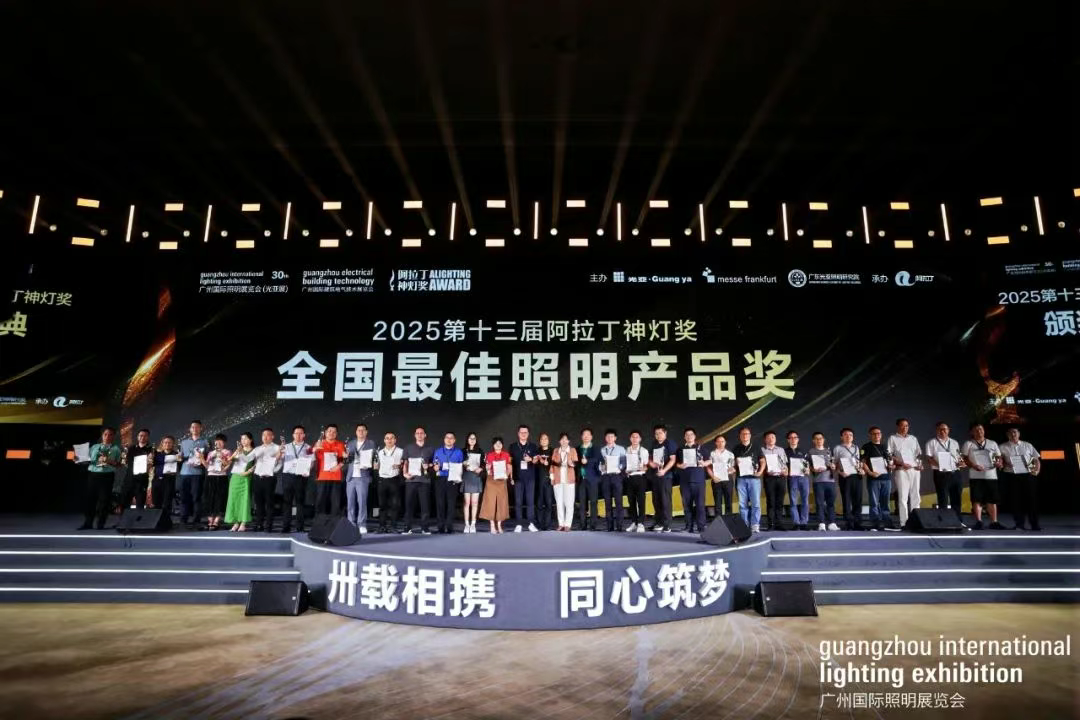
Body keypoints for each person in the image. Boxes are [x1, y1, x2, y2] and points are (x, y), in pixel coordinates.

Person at [77, 426, 122, 530]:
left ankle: (100, 524)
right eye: (105, 434)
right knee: (90, 500)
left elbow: (119, 464)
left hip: (107, 476)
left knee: (104, 501)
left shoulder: (116, 449)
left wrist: (110, 461)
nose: (107, 437)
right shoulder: (94, 447)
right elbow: (87, 460)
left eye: (110, 435)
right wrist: (78, 459)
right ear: (102, 435)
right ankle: (88, 523)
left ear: (114, 436)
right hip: (93, 475)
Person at [999, 427, 1042, 531]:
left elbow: (1036, 459)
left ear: (1019, 434)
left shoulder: (1027, 445)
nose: (1013, 434)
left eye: (1015, 432)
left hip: (1028, 475)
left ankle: (1034, 524)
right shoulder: (1002, 447)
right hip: (1011, 475)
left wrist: (1037, 470)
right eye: (1010, 432)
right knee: (1015, 501)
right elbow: (999, 461)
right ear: (1007, 434)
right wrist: (1003, 464)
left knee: (1031, 500)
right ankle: (1019, 524)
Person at [962, 423, 1004, 530]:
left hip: (991, 475)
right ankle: (979, 521)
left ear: (984, 431)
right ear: (971, 432)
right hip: (975, 475)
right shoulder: (968, 443)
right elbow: (964, 458)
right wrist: (973, 466)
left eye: (981, 429)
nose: (979, 431)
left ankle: (994, 522)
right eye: (976, 430)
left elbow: (998, 457)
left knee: (992, 500)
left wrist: (999, 463)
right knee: (977, 499)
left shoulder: (992, 443)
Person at [925, 421, 964, 525]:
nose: (943, 431)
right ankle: (944, 522)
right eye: (940, 429)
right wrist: (941, 465)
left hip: (955, 473)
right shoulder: (931, 442)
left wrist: (960, 463)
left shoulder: (954, 442)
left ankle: (958, 521)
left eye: (945, 429)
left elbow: (958, 457)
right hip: (941, 473)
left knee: (957, 498)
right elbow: (929, 458)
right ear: (936, 430)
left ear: (948, 430)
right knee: (943, 499)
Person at [887, 418, 922, 528]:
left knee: (916, 496)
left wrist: (919, 464)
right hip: (901, 470)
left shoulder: (913, 438)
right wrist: (901, 463)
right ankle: (904, 522)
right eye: (902, 425)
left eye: (906, 426)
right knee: (903, 497)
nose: (905, 428)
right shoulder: (892, 438)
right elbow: (889, 455)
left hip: (914, 470)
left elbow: (918, 454)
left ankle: (916, 521)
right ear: (898, 426)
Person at [860, 427, 894, 531]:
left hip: (886, 478)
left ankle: (887, 522)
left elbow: (889, 461)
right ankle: (875, 522)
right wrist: (870, 472)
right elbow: (863, 462)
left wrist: (891, 466)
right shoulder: (866, 447)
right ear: (870, 435)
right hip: (873, 478)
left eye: (878, 433)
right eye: (874, 433)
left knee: (885, 501)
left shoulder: (885, 447)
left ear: (881, 434)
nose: (877, 435)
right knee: (874, 502)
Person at [344, 424, 377, 534]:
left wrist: (371, 464)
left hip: (363, 477)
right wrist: (345, 457)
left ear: (366, 432)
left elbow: (375, 459)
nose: (361, 432)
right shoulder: (350, 443)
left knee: (362, 502)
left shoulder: (371, 443)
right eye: (359, 430)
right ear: (356, 432)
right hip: (351, 477)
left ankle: (362, 524)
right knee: (350, 502)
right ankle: (350, 523)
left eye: (363, 430)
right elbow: (347, 460)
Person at [177, 420, 210, 530]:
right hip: (184, 472)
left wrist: (202, 459)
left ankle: (196, 520)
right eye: (192, 427)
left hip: (198, 473)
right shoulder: (184, 442)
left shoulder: (205, 442)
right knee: (183, 497)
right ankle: (183, 519)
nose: (194, 429)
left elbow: (209, 457)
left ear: (201, 428)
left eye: (197, 427)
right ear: (190, 429)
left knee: (196, 497)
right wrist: (179, 457)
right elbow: (181, 456)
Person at [402, 426, 435, 534]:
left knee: (425, 506)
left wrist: (428, 466)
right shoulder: (408, 448)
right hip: (411, 480)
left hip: (425, 480)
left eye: (421, 433)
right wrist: (405, 474)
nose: (419, 435)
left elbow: (434, 463)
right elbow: (405, 462)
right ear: (415, 435)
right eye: (417, 433)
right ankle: (407, 527)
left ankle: (425, 527)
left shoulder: (430, 449)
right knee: (409, 505)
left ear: (425, 435)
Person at [675, 428, 709, 533]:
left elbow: (709, 460)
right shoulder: (680, 449)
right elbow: (676, 463)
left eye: (691, 434)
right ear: (684, 437)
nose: (689, 436)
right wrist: (680, 465)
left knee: (700, 505)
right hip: (685, 481)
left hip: (699, 480)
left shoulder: (701, 448)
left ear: (695, 436)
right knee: (686, 505)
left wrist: (704, 463)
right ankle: (688, 526)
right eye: (687, 435)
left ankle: (701, 527)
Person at [280, 426, 313, 534]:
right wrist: (280, 451)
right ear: (293, 435)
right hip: (288, 476)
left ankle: (300, 527)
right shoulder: (286, 446)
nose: (298, 435)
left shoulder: (308, 448)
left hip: (301, 477)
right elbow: (279, 459)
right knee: (287, 502)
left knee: (300, 502)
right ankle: (286, 526)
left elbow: (312, 462)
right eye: (296, 433)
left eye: (301, 433)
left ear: (304, 435)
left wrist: (307, 470)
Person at [250, 428, 282, 532]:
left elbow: (280, 464)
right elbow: (248, 459)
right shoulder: (257, 449)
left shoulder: (277, 448)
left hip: (269, 478)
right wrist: (239, 454)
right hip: (257, 478)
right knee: (258, 503)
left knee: (269, 503)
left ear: (272, 436)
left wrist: (272, 471)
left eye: (268, 435)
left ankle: (268, 525)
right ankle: (259, 524)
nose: (265, 437)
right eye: (263, 435)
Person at [508, 425, 539, 532]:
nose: (523, 434)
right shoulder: (513, 446)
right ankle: (519, 524)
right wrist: (511, 476)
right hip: (517, 477)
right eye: (521, 432)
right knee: (518, 502)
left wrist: (530, 459)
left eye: (525, 432)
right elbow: (509, 463)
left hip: (530, 477)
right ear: (518, 434)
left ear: (528, 434)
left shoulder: (533, 446)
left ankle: (531, 523)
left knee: (530, 501)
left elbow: (536, 460)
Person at [432, 431, 465, 534]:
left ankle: (450, 526)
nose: (449, 439)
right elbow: (435, 465)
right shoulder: (438, 451)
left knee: (451, 504)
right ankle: (440, 527)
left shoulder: (459, 452)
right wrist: (435, 467)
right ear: (444, 439)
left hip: (453, 479)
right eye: (447, 437)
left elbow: (460, 466)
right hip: (440, 479)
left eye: (451, 438)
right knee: (440, 503)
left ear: (454, 440)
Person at [834, 428, 865, 530]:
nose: (848, 436)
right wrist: (840, 473)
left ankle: (857, 522)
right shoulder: (838, 448)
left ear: (853, 437)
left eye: (850, 435)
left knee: (858, 500)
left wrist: (861, 469)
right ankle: (849, 523)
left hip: (856, 476)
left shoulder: (856, 447)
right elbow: (835, 464)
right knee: (846, 500)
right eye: (846, 435)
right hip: (845, 476)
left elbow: (858, 462)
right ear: (841, 437)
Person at [732, 426, 762, 533]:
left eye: (747, 434)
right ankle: (744, 525)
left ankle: (755, 525)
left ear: (750, 435)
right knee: (742, 504)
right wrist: (735, 464)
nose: (745, 436)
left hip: (754, 479)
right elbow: (732, 464)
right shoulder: (736, 448)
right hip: (741, 479)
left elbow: (762, 461)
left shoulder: (756, 447)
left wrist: (760, 471)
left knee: (756, 503)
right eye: (743, 434)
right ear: (740, 436)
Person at [648, 425, 678, 533]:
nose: (658, 435)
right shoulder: (654, 444)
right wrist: (651, 463)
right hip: (655, 476)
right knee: (656, 500)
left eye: (660, 433)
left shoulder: (670, 443)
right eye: (656, 433)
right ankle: (659, 522)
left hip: (666, 476)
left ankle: (667, 524)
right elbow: (650, 458)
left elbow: (673, 459)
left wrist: (664, 470)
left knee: (665, 500)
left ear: (665, 433)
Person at [312, 424, 347, 516]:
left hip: (336, 477)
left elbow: (345, 459)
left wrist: (339, 466)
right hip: (322, 477)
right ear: (325, 433)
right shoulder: (319, 443)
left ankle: (335, 522)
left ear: (337, 434)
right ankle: (320, 521)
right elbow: (310, 456)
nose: (332, 433)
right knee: (320, 502)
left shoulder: (340, 444)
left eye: (334, 432)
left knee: (336, 503)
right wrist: (314, 449)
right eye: (329, 431)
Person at [480, 436, 512, 533]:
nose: (498, 445)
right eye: (496, 443)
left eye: (500, 443)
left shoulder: (506, 454)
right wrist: (487, 468)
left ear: (502, 445)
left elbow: (509, 467)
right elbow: (487, 470)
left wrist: (507, 474)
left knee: (502, 502)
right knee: (490, 502)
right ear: (493, 445)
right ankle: (492, 525)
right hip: (491, 480)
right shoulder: (489, 455)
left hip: (502, 480)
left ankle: (499, 525)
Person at [598, 429, 627, 532]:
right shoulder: (602, 450)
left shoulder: (621, 449)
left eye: (612, 436)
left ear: (615, 438)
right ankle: (609, 526)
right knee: (607, 502)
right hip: (606, 477)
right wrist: (602, 468)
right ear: (605, 438)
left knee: (619, 502)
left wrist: (619, 468)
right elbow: (599, 464)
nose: (610, 438)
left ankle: (619, 526)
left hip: (616, 476)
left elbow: (624, 462)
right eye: (608, 436)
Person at [375, 432, 404, 533]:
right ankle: (382, 526)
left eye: (391, 438)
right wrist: (375, 466)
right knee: (382, 505)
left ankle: (393, 526)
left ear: (395, 440)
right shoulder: (379, 452)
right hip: (382, 480)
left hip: (394, 479)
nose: (389, 440)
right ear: (384, 440)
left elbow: (405, 464)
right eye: (387, 438)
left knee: (395, 505)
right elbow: (376, 465)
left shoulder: (400, 451)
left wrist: (400, 465)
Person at [225, 432, 255, 531]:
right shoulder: (238, 450)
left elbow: (253, 463)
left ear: (250, 440)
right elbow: (228, 461)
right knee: (234, 499)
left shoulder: (254, 451)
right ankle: (235, 522)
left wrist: (248, 472)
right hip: (235, 477)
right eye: (242, 439)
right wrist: (227, 457)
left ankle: (243, 522)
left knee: (244, 499)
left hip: (245, 477)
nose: (243, 441)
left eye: (245, 438)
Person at [809, 431, 838, 531]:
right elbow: (808, 466)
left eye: (820, 438)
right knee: (819, 503)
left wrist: (833, 466)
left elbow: (834, 464)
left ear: (824, 440)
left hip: (830, 480)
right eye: (816, 439)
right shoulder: (811, 452)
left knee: (831, 503)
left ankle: (832, 523)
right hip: (818, 481)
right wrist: (813, 469)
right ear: (813, 440)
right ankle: (821, 523)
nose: (819, 440)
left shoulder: (829, 451)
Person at [759, 430, 788, 531]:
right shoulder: (762, 450)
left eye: (773, 437)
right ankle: (771, 524)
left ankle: (779, 523)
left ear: (775, 439)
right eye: (768, 437)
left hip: (781, 478)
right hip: (769, 478)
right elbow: (760, 465)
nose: (771, 439)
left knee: (780, 501)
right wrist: (765, 471)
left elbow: (784, 464)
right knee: (771, 501)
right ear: (765, 439)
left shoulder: (781, 450)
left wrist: (785, 471)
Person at [119, 428, 154, 512]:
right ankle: (123, 520)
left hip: (142, 480)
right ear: (138, 437)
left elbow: (151, 465)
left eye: (145, 436)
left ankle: (139, 521)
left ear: (148, 437)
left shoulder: (151, 450)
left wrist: (150, 462)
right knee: (124, 504)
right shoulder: (131, 449)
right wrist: (124, 456)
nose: (143, 437)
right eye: (141, 435)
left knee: (140, 505)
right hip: (129, 479)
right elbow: (124, 462)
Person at [549, 433, 579, 531]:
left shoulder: (572, 450)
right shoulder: (555, 451)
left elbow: (576, 463)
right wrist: (552, 478)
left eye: (566, 439)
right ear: (559, 441)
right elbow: (552, 465)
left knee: (569, 503)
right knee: (559, 502)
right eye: (562, 439)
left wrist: (571, 463)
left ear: (568, 441)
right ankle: (561, 524)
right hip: (558, 480)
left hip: (569, 480)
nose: (564, 441)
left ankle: (568, 524)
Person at [149, 435, 180, 527]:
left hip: (169, 481)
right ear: (162, 444)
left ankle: (166, 523)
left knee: (167, 503)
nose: (167, 444)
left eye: (169, 442)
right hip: (157, 481)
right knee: (156, 503)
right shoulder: (157, 454)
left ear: (173, 444)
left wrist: (180, 460)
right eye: (165, 442)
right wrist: (150, 459)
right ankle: (156, 523)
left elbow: (180, 467)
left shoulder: (176, 455)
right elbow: (150, 465)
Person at [203, 433, 231, 531]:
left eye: (220, 442)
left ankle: (216, 521)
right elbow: (207, 466)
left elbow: (227, 465)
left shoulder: (227, 452)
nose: (218, 443)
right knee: (209, 498)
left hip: (221, 477)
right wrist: (201, 458)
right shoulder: (211, 453)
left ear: (224, 443)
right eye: (216, 442)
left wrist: (221, 456)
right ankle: (210, 521)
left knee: (220, 499)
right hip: (211, 477)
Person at [576, 428, 603, 531]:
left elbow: (598, 460)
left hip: (593, 479)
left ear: (591, 437)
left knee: (593, 502)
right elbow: (575, 462)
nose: (586, 436)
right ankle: (582, 525)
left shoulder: (596, 448)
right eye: (584, 434)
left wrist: (587, 461)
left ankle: (593, 525)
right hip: (581, 479)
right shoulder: (577, 449)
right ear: (581, 436)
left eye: (588, 434)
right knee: (582, 503)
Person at [784, 431, 810, 531]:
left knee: (805, 500)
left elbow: (807, 464)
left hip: (803, 478)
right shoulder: (784, 452)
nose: (793, 439)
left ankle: (804, 522)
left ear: (798, 439)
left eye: (795, 437)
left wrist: (808, 469)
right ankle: (796, 523)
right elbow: (783, 465)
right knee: (793, 501)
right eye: (791, 437)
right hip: (792, 478)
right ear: (788, 440)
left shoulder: (803, 451)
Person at [624, 430, 650, 532]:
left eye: (637, 437)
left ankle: (641, 523)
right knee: (631, 501)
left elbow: (646, 466)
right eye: (633, 437)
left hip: (640, 478)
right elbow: (624, 464)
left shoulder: (644, 451)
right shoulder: (626, 450)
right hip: (630, 478)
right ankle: (634, 522)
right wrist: (625, 470)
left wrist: (643, 468)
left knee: (641, 501)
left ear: (640, 439)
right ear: (630, 439)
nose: (635, 439)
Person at [461, 433, 485, 533]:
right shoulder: (463, 451)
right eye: (470, 438)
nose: (472, 440)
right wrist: (464, 464)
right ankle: (467, 524)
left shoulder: (480, 451)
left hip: (476, 477)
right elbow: (459, 463)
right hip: (467, 477)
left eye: (474, 438)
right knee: (467, 502)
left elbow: (484, 464)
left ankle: (473, 524)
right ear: (467, 439)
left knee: (475, 503)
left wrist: (481, 469)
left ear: (476, 440)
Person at [707, 435, 735, 519]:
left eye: (722, 441)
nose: (720, 443)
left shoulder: (730, 454)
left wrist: (732, 470)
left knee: (728, 501)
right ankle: (718, 521)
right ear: (715, 443)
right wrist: (713, 477)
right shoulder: (712, 453)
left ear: (725, 442)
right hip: (716, 479)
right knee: (717, 502)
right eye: (718, 441)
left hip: (727, 479)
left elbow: (732, 466)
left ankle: (728, 520)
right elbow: (708, 467)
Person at [534, 433, 555, 531]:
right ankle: (539, 524)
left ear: (548, 440)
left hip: (549, 480)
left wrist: (548, 463)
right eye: (542, 439)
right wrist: (537, 460)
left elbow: (555, 463)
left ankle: (547, 524)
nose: (544, 440)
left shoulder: (553, 451)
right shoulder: (537, 451)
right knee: (539, 503)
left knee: (549, 503)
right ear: (539, 441)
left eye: (546, 439)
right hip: (538, 480)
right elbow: (533, 462)